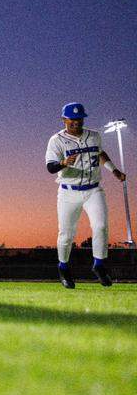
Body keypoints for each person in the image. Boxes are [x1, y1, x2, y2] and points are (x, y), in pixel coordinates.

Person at [45, 103, 126, 288]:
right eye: (72, 119)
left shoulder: (94, 136)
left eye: (79, 119)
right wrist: (63, 163)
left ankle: (99, 265)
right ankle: (63, 268)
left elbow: (100, 153)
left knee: (101, 226)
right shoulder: (56, 140)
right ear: (64, 120)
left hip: (93, 189)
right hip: (68, 192)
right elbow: (50, 167)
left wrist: (114, 170)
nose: (76, 122)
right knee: (66, 235)